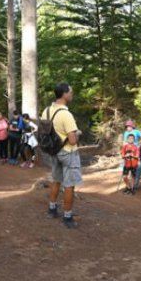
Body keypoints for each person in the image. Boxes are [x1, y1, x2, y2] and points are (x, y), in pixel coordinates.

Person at [45, 82, 82, 228]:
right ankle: (67, 217)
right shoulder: (66, 115)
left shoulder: (47, 111)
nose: (72, 94)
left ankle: (52, 209)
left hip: (54, 151)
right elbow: (72, 141)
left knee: (56, 180)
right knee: (69, 185)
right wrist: (77, 133)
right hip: (67, 152)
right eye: (70, 92)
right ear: (64, 94)